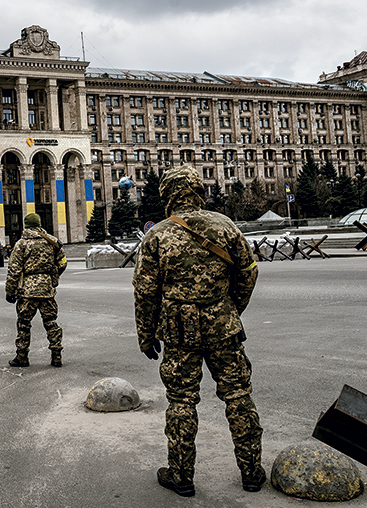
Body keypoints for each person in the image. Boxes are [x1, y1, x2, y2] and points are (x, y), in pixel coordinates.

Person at [133, 166, 264, 497]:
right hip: (224, 326)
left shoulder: (157, 235)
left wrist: (146, 334)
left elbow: (145, 291)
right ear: (198, 191)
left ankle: (181, 476)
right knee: (238, 395)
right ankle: (251, 472)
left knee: (181, 400)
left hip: (179, 331)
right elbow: (249, 272)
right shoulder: (225, 226)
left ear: (167, 195)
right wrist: (230, 308)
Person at [4, 213, 67, 367]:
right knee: (51, 321)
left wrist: (10, 291)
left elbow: (14, 270)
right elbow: (63, 262)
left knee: (24, 323)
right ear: (39, 224)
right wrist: (52, 277)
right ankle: (56, 355)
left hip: (27, 291)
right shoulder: (51, 241)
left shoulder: (22, 244)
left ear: (26, 225)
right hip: (47, 290)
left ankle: (22, 356)